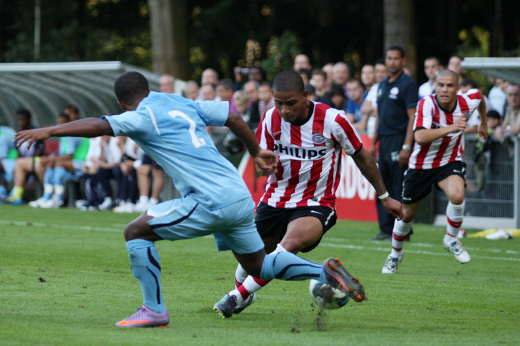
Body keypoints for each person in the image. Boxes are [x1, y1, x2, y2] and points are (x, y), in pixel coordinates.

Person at [15, 71, 365, 327]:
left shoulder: (141, 115)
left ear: (122, 103)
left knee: (135, 232)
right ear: (150, 89)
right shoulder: (179, 101)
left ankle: (153, 309)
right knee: (258, 267)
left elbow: (99, 125)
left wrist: (49, 130)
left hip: (210, 201)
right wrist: (256, 150)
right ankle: (324, 273)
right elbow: (231, 115)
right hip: (239, 197)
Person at [214, 71, 402, 317]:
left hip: (316, 202)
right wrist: (263, 166)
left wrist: (384, 195)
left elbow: (362, 156)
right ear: (272, 98)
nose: (284, 110)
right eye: (279, 103)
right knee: (250, 264)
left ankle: (236, 296)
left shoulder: (333, 120)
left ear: (304, 96)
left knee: (288, 245)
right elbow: (260, 163)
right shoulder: (270, 119)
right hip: (274, 201)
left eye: (291, 103)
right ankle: (245, 293)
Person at [382, 70, 487, 273]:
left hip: (450, 161)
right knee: (406, 216)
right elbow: (420, 136)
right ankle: (395, 255)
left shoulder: (467, 101)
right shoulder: (426, 104)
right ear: (435, 87)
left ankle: (451, 238)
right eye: (440, 85)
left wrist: (483, 121)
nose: (444, 90)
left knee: (457, 195)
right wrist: (452, 127)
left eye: (449, 86)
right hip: (421, 166)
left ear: (457, 89)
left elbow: (479, 95)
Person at [369, 46, 418, 241]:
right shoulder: (381, 85)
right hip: (384, 141)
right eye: (389, 58)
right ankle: (385, 228)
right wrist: (373, 143)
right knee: (382, 185)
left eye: (396, 59)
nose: (392, 62)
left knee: (398, 187)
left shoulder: (408, 85)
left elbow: (412, 117)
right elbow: (380, 116)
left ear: (403, 61)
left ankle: (402, 231)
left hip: (399, 140)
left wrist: (407, 146)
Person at [4, 109, 46, 204]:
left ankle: (17, 195)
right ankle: (16, 195)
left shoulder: (36, 132)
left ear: (29, 119)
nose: (21, 122)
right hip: (24, 162)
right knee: (17, 164)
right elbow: (17, 150)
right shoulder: (18, 133)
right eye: (19, 119)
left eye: (23, 119)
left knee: (20, 164)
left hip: (36, 161)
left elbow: (40, 151)